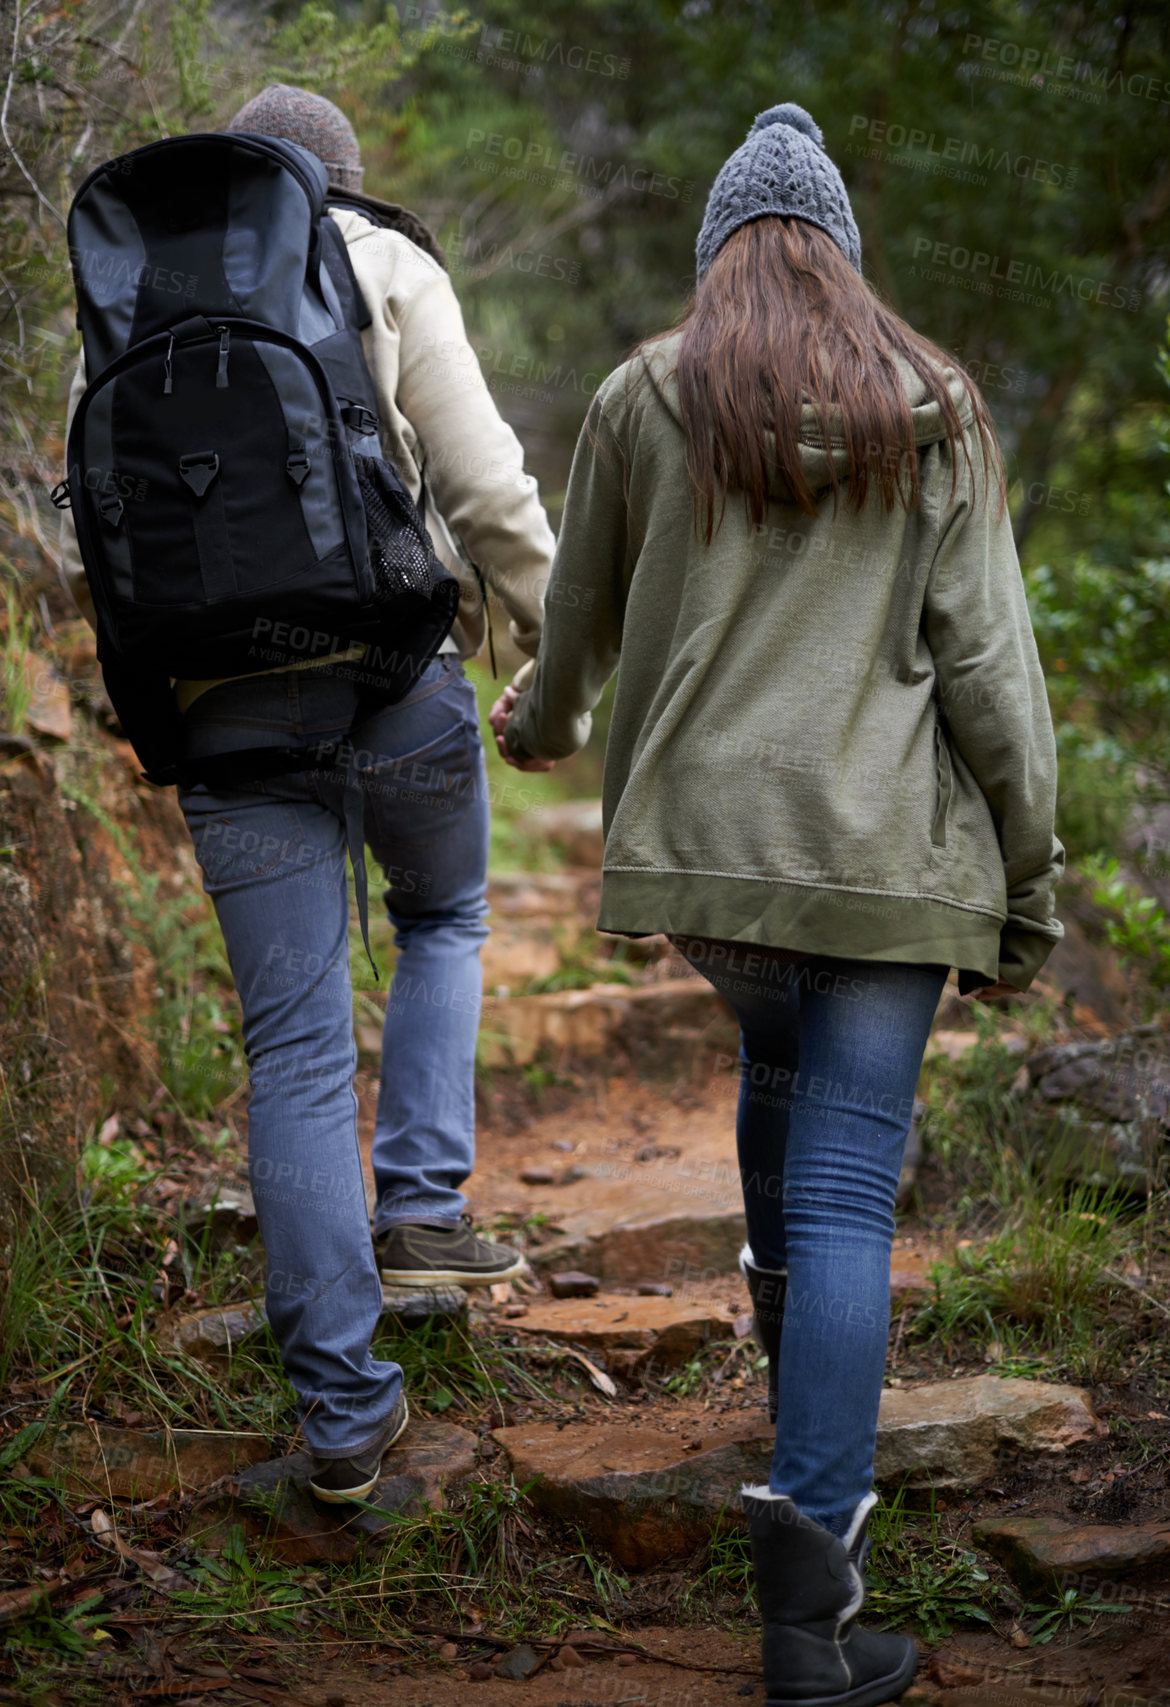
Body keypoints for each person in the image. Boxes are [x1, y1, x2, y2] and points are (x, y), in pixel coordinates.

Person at [491, 102, 1063, 1707]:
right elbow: (990, 673)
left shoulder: (640, 395)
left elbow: (577, 619)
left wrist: (533, 728)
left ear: (718, 255)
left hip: (715, 870)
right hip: (889, 865)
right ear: (846, 260)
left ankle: (786, 1366)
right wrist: (1031, 879)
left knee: (779, 1060)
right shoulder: (931, 404)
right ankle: (807, 1616)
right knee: (842, 1197)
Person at [59, 86, 557, 1504]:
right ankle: (421, 1210)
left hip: (218, 710)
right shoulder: (386, 262)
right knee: (444, 913)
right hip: (392, 679)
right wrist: (548, 661)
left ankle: (342, 1426)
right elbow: (488, 494)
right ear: (336, 182)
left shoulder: (133, 290)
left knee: (290, 1053)